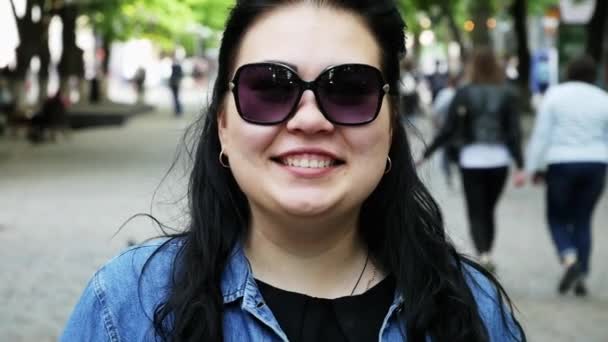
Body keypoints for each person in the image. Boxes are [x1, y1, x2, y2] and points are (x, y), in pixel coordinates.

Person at [62, 2, 525, 341]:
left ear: (390, 126)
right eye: (267, 88)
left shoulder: (475, 311)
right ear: (222, 124)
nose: (308, 119)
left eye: (349, 89)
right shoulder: (124, 309)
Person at [419, 47, 526, 273]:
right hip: (499, 160)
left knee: (476, 209)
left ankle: (484, 253)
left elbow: (448, 129)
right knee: (488, 209)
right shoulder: (506, 93)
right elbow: (514, 132)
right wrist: (521, 165)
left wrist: (425, 154)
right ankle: (487, 250)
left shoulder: (464, 93)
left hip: (471, 160)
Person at [525, 55, 608, 297]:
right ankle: (582, 272)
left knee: (557, 216)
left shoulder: (555, 96)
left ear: (568, 72)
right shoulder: (603, 99)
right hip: (596, 163)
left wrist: (534, 168)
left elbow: (542, 135)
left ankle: (569, 259)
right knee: (583, 219)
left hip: (561, 162)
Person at [431, 74, 459, 188]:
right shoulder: (458, 94)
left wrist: (436, 123)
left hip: (444, 127)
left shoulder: (444, 94)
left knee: (445, 152)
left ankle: (448, 176)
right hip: (455, 129)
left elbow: (436, 110)